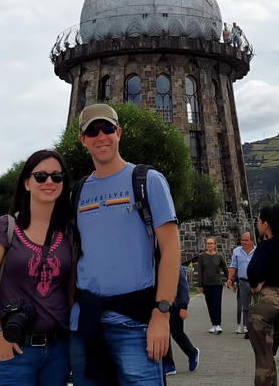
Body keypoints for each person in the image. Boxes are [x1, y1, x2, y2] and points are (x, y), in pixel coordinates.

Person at [69, 103, 180, 386]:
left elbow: (170, 250)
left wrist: (162, 315)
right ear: (82, 140)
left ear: (118, 132)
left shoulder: (147, 181)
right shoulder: (77, 192)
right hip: (87, 323)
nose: (100, 136)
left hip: (135, 323)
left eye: (107, 128)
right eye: (92, 131)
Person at [0, 149, 74, 386]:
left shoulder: (69, 233)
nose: (49, 181)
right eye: (41, 176)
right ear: (27, 183)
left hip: (57, 351)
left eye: (57, 177)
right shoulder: (5, 227)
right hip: (14, 347)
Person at [247, 205, 279, 386]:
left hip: (265, 304)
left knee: (263, 356)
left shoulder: (265, 245)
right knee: (271, 353)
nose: (257, 225)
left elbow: (252, 269)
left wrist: (255, 286)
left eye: (258, 222)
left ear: (265, 224)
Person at [162, 266, 200, 376]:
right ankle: (169, 364)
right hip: (159, 306)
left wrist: (183, 306)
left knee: (177, 334)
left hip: (175, 305)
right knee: (164, 334)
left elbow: (183, 286)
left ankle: (192, 352)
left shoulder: (174, 266)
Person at [195, 237, 228, 334]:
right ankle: (213, 324)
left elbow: (225, 269)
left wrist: (230, 280)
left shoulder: (219, 257)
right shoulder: (202, 257)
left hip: (217, 283)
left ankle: (218, 324)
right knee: (209, 304)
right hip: (206, 284)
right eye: (208, 243)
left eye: (211, 243)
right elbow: (200, 271)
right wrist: (199, 285)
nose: (209, 245)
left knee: (216, 303)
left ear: (214, 245)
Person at [227, 232, 255, 335]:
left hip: (254, 282)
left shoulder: (257, 251)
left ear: (252, 241)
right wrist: (230, 279)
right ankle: (241, 325)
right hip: (242, 281)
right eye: (242, 240)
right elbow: (233, 266)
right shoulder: (237, 251)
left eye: (246, 240)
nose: (243, 242)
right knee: (242, 304)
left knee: (253, 304)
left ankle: (249, 325)